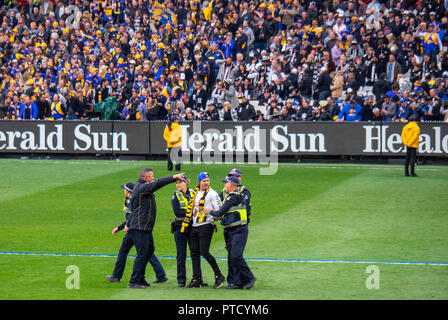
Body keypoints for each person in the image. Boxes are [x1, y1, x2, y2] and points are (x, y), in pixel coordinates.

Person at [125, 168, 184, 289]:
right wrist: (173, 178)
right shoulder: (141, 188)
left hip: (144, 226)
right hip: (140, 227)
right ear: (145, 178)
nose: (153, 178)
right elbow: (157, 183)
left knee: (149, 251)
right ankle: (133, 281)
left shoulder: (142, 188)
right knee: (142, 254)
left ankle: (140, 279)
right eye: (151, 176)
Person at [106, 182, 167, 284]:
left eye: (125, 189)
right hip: (136, 228)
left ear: (129, 191)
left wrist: (126, 225)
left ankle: (119, 276)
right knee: (145, 251)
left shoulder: (131, 200)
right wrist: (120, 227)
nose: (124, 191)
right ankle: (160, 274)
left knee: (137, 252)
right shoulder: (131, 199)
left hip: (134, 229)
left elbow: (132, 216)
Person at [204, 175, 256, 290]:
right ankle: (235, 282)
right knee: (232, 256)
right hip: (232, 229)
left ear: (231, 185)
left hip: (239, 230)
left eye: (226, 183)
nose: (224, 185)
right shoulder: (231, 196)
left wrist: (210, 211)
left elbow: (220, 212)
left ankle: (249, 277)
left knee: (236, 255)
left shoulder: (233, 197)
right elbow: (228, 213)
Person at [180, 172, 226, 289]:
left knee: (204, 252)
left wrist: (210, 212)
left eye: (207, 181)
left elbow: (220, 212)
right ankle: (196, 279)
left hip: (206, 225)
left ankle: (219, 276)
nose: (206, 183)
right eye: (204, 181)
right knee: (194, 253)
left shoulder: (212, 194)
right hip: (194, 226)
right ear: (199, 182)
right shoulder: (195, 193)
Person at [170, 176, 193, 287]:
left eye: (180, 182)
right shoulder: (175, 196)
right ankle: (181, 280)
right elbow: (177, 212)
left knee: (195, 253)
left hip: (193, 226)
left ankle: (197, 278)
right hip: (180, 227)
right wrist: (192, 212)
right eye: (177, 183)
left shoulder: (194, 193)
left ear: (186, 183)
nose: (178, 184)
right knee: (181, 254)